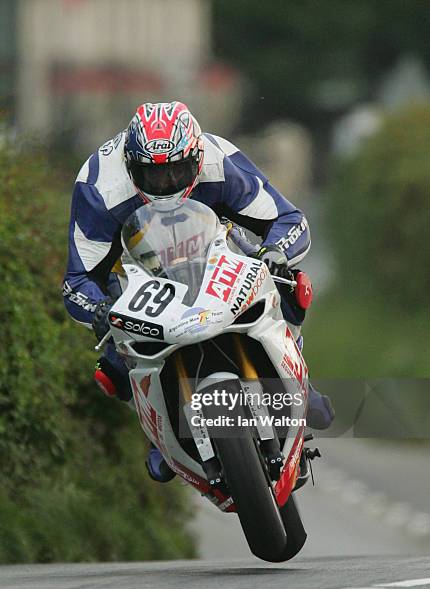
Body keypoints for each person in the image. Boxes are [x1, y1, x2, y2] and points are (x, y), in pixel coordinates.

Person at [63, 101, 334, 482]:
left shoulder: (219, 161)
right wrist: (98, 309)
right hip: (136, 269)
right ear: (129, 166)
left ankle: (297, 377)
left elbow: (288, 220)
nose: (167, 184)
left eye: (177, 171)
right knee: (112, 358)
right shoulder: (98, 189)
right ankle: (158, 430)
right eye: (152, 175)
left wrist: (275, 253)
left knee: (286, 280)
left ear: (196, 156)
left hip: (214, 245)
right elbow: (77, 282)